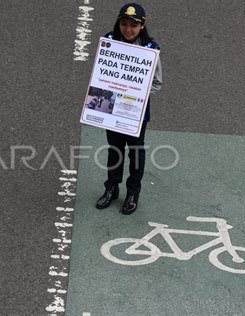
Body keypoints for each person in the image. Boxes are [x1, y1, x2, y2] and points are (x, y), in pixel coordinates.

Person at [96, 3, 162, 214]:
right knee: (115, 149)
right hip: (112, 107)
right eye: (124, 24)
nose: (128, 29)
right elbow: (102, 71)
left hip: (136, 111)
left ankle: (133, 192)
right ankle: (112, 187)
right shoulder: (110, 41)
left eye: (134, 25)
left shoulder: (151, 49)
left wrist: (135, 93)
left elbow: (157, 83)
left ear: (142, 26)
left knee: (135, 151)